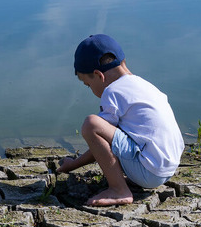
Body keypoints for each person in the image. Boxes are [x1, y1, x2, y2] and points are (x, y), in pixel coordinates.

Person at [56, 34, 184, 207]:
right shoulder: (144, 86)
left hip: (150, 172)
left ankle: (119, 190)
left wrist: (72, 165)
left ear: (99, 75)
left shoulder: (113, 92)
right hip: (168, 168)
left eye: (88, 85)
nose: (90, 90)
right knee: (112, 129)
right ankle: (130, 179)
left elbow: (98, 138)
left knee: (91, 124)